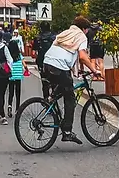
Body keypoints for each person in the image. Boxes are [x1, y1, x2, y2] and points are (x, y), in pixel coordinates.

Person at [43, 16, 100, 144]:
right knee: (70, 98)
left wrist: (77, 70)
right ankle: (67, 132)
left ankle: (52, 98)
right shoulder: (81, 36)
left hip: (47, 63)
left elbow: (67, 53)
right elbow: (83, 56)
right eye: (87, 30)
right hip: (59, 66)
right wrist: (94, 70)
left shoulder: (64, 33)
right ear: (84, 29)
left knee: (65, 84)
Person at [32, 22, 57, 99]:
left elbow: (33, 53)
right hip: (53, 61)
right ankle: (53, 99)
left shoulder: (37, 38)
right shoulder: (54, 37)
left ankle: (46, 100)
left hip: (41, 62)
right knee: (54, 81)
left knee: (44, 82)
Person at [6, 38, 24, 118]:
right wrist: (26, 69)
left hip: (11, 75)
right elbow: (24, 64)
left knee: (11, 92)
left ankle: (9, 106)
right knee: (18, 92)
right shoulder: (19, 55)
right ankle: (17, 108)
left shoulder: (8, 55)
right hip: (18, 75)